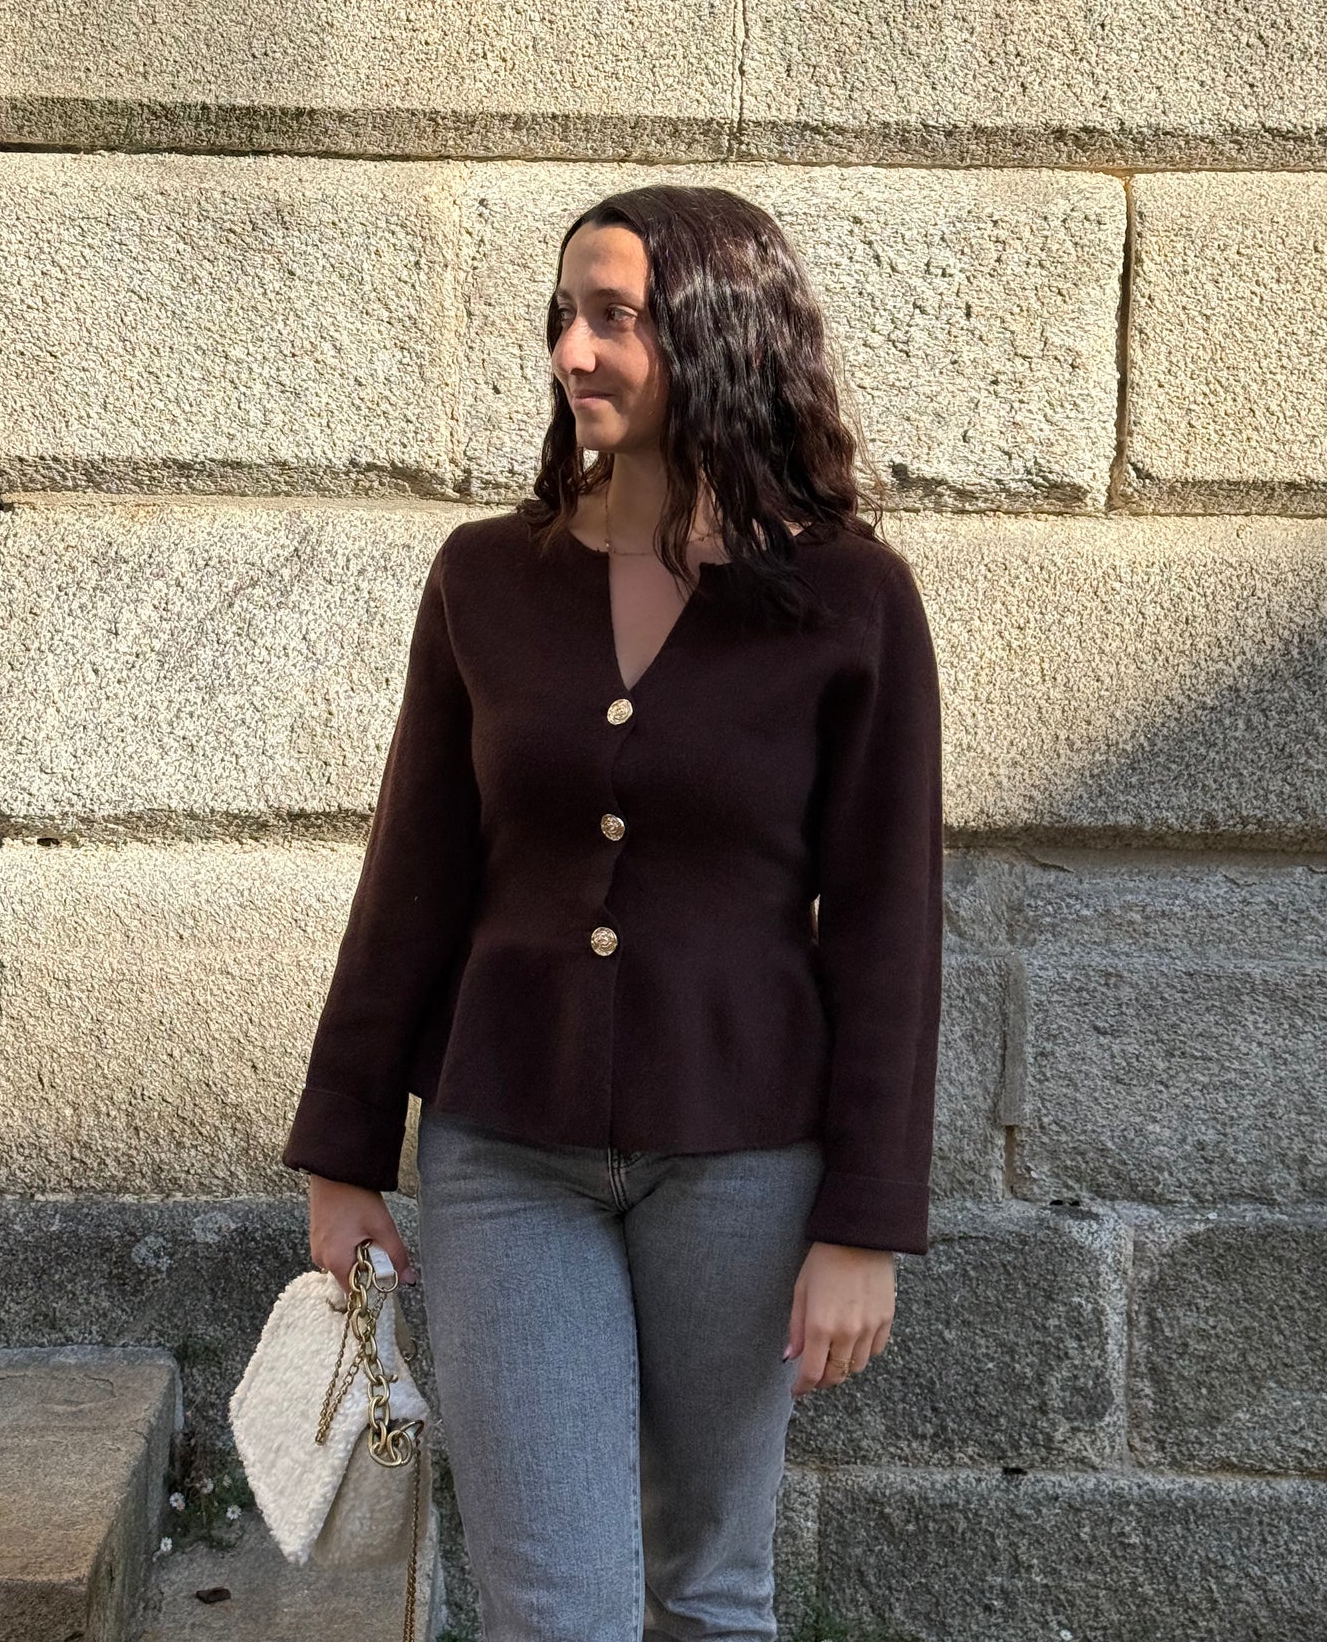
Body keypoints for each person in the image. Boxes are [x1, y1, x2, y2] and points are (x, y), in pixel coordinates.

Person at [281, 183, 944, 1641]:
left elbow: (889, 929)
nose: (571, 351)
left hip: (745, 1159)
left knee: (711, 1592)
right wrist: (344, 1156)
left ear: (716, 336)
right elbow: (412, 878)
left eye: (615, 318)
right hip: (506, 1152)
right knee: (552, 1610)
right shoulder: (483, 580)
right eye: (564, 316)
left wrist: (865, 1222)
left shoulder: (851, 602)